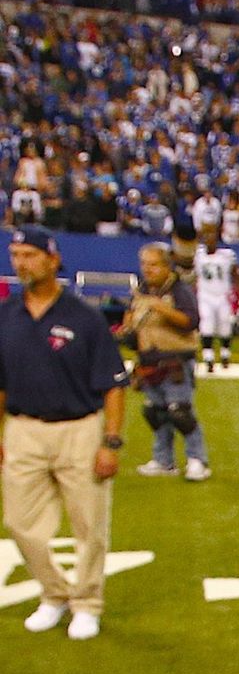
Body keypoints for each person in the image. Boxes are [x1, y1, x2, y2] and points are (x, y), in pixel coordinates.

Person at [0, 224, 128, 641]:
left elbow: (113, 384)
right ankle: (55, 594)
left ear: (53, 260)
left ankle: (87, 603)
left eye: (30, 254)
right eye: (15, 254)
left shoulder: (85, 318)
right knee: (19, 523)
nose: (21, 262)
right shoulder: (6, 315)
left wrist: (111, 441)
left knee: (89, 525)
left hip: (79, 429)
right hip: (23, 428)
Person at [121, 243, 210, 481]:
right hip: (149, 360)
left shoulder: (179, 291)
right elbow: (130, 317)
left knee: (180, 412)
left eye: (153, 264)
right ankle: (163, 460)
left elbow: (191, 321)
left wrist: (161, 308)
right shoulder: (141, 291)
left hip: (175, 361)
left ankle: (197, 460)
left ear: (166, 266)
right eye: (144, 264)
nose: (147, 269)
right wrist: (127, 329)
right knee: (155, 413)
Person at [192, 237, 238, 372]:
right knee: (207, 324)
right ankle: (208, 358)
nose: (209, 240)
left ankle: (225, 355)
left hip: (223, 295)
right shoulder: (198, 255)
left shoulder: (227, 255)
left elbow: (235, 274)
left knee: (225, 324)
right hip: (205, 295)